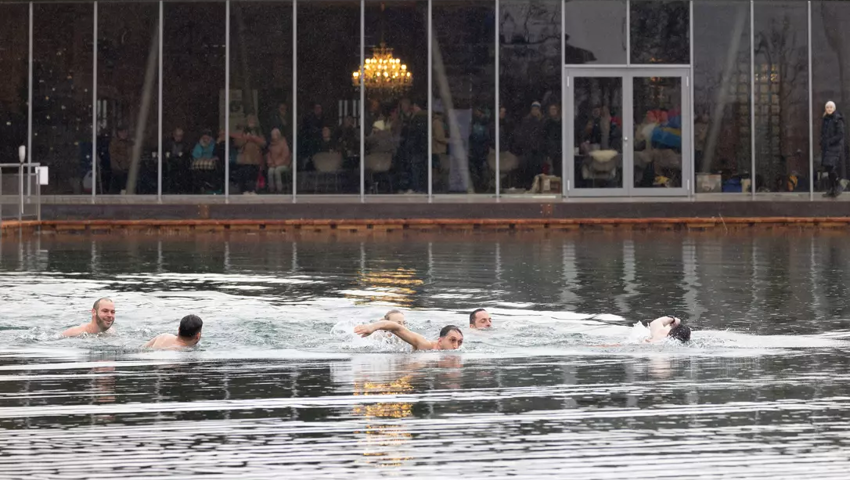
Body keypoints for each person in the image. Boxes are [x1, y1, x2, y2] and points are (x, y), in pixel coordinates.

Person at [354, 322, 464, 351]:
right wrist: (372, 327)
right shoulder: (424, 345)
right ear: (440, 340)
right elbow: (397, 327)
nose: (456, 346)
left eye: (459, 342)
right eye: (452, 340)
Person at [821, 100, 845, 197]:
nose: (829, 109)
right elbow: (823, 133)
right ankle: (832, 189)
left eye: (831, 107)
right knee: (828, 168)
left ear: (834, 108)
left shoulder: (837, 119)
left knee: (831, 167)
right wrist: (822, 141)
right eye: (827, 107)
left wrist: (830, 141)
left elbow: (840, 134)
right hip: (827, 147)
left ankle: (839, 185)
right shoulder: (825, 119)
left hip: (835, 147)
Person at [266, 128, 291, 193]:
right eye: (272, 135)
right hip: (273, 164)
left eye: (274, 135)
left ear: (278, 135)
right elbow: (269, 155)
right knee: (270, 171)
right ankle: (271, 189)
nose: (272, 136)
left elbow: (285, 156)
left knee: (277, 170)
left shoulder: (283, 144)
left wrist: (276, 163)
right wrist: (270, 162)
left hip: (284, 164)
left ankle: (279, 189)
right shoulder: (271, 145)